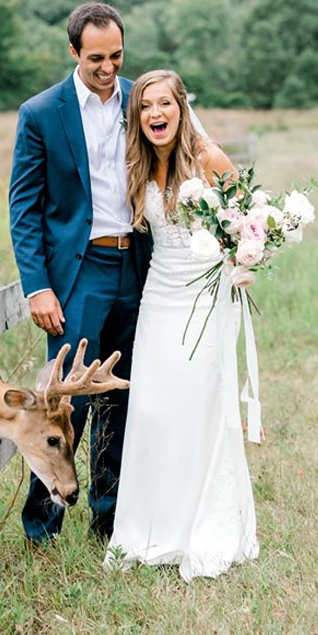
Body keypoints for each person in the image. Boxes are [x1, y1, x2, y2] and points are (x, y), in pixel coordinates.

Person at [105, 69, 259, 580]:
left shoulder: (208, 158)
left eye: (165, 104)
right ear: (138, 116)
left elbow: (248, 217)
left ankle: (198, 525)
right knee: (151, 409)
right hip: (160, 298)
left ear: (181, 107)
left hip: (206, 299)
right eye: (146, 105)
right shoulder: (138, 165)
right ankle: (149, 526)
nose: (155, 114)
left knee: (197, 407)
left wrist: (245, 260)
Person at [9, 2, 152, 545]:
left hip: (139, 266)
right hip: (79, 273)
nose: (108, 68)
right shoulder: (42, 112)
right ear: (74, 51)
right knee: (66, 406)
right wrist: (37, 285)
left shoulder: (142, 98)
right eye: (96, 58)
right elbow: (24, 208)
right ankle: (41, 530)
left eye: (117, 56)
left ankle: (109, 525)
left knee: (124, 398)